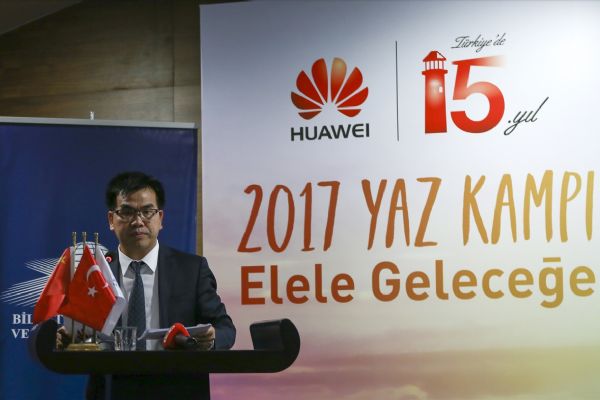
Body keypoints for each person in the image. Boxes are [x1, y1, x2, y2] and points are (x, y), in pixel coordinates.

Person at [77, 171, 235, 399]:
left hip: (179, 390)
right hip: (111, 391)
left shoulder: (191, 269)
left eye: (147, 211)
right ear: (111, 220)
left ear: (160, 218)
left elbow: (226, 329)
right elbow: (77, 331)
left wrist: (210, 339)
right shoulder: (95, 272)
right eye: (127, 212)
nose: (138, 221)